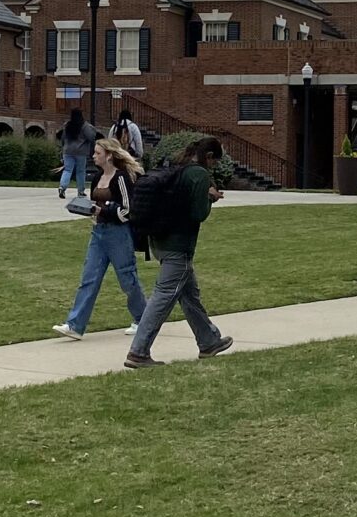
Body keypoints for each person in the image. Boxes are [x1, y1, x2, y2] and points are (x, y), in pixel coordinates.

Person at [124, 136, 235, 370]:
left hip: (159, 241)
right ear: (209, 157)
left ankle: (209, 341)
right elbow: (198, 213)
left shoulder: (176, 168)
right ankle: (138, 351)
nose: (213, 167)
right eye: (214, 162)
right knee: (163, 296)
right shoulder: (198, 175)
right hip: (179, 246)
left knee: (189, 295)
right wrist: (210, 198)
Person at [51, 138, 148, 339]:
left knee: (127, 278)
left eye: (97, 153)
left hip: (118, 234)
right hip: (98, 232)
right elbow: (95, 202)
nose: (93, 156)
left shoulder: (121, 178)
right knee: (89, 278)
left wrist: (103, 210)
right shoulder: (97, 178)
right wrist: (88, 210)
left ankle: (143, 319)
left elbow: (127, 209)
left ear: (109, 155)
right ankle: (75, 325)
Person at [56, 106, 97, 199]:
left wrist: (63, 148)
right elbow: (91, 137)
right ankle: (80, 191)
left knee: (67, 170)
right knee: (81, 171)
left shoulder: (67, 125)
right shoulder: (84, 125)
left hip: (67, 151)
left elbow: (63, 138)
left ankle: (62, 187)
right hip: (81, 151)